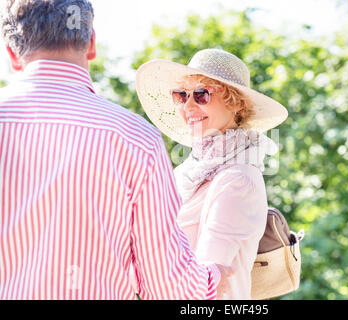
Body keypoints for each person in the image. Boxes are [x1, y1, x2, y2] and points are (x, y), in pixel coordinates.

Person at [0, 0, 232, 300]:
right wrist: (216, 276)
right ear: (92, 43)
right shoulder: (137, 139)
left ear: (11, 54)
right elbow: (169, 289)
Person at [135, 48, 288, 299]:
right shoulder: (189, 171)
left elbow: (206, 279)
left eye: (201, 95)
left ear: (236, 103)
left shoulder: (238, 178)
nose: (188, 106)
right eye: (181, 95)